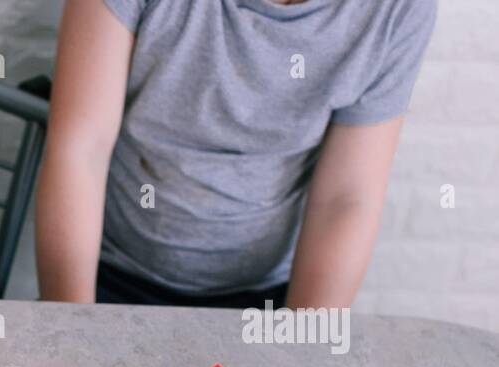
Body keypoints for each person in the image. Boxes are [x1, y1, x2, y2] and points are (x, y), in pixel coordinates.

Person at [35, 0, 437, 310]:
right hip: (109, 280)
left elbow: (347, 197)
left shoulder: (397, 9)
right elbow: (80, 151)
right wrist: (75, 325)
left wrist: (305, 348)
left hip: (269, 302)